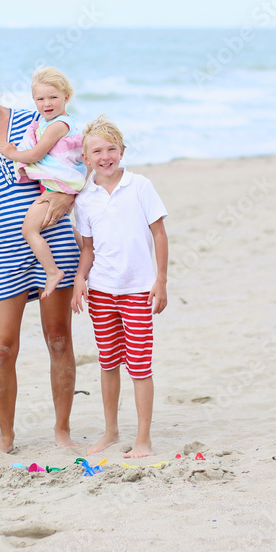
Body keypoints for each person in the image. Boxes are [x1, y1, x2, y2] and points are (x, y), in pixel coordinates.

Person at [0, 53, 79, 453]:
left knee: (58, 339)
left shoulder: (33, 118)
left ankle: (62, 431)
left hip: (53, 237)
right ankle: (6, 437)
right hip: (4, 247)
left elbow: (79, 154)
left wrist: (66, 199)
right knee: (2, 347)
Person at [71, 115, 169, 458]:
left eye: (111, 149)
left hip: (139, 289)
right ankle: (111, 430)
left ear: (122, 151)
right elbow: (87, 249)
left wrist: (161, 280)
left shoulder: (140, 186)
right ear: (85, 158)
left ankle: (143, 438)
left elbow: (159, 234)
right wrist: (79, 281)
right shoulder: (84, 199)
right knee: (108, 362)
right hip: (101, 290)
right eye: (96, 151)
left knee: (140, 365)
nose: (105, 156)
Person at [0, 66, 87, 299]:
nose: (47, 103)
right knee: (70, 227)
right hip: (60, 187)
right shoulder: (48, 122)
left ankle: (52, 271)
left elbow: (36, 154)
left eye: (53, 97)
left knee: (29, 229)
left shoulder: (59, 125)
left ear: (66, 97)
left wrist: (12, 153)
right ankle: (92, 255)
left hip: (60, 186)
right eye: (40, 98)